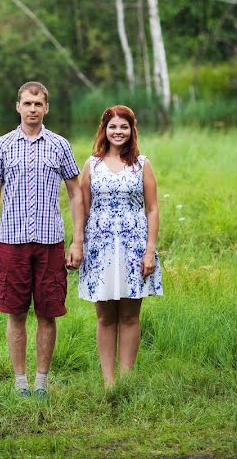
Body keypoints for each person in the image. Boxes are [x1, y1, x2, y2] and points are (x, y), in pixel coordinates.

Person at [0, 81, 84, 398]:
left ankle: (41, 381)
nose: (33, 109)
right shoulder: (1, 145)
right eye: (27, 103)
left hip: (51, 241)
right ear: (18, 107)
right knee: (15, 312)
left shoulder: (60, 145)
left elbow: (76, 193)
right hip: (12, 241)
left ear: (46, 108)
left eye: (38, 104)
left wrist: (77, 240)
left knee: (48, 312)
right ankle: (20, 382)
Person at [78, 105, 162, 388]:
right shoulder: (92, 164)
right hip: (100, 248)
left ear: (132, 130)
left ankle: (127, 378)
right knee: (105, 317)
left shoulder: (142, 164)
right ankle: (108, 382)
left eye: (123, 127)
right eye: (113, 127)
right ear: (104, 130)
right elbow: (84, 209)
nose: (118, 132)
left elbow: (152, 209)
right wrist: (80, 244)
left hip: (134, 246)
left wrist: (150, 249)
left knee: (129, 314)